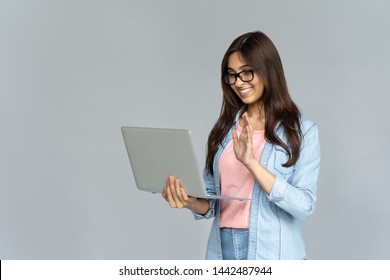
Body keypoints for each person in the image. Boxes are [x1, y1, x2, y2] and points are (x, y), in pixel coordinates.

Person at [162, 31, 320, 260]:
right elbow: (213, 203)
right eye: (232, 75)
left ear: (268, 70)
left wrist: (252, 163)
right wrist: (190, 202)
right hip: (223, 250)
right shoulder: (224, 130)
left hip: (273, 254)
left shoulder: (301, 131)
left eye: (246, 73)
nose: (238, 83)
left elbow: (304, 206)